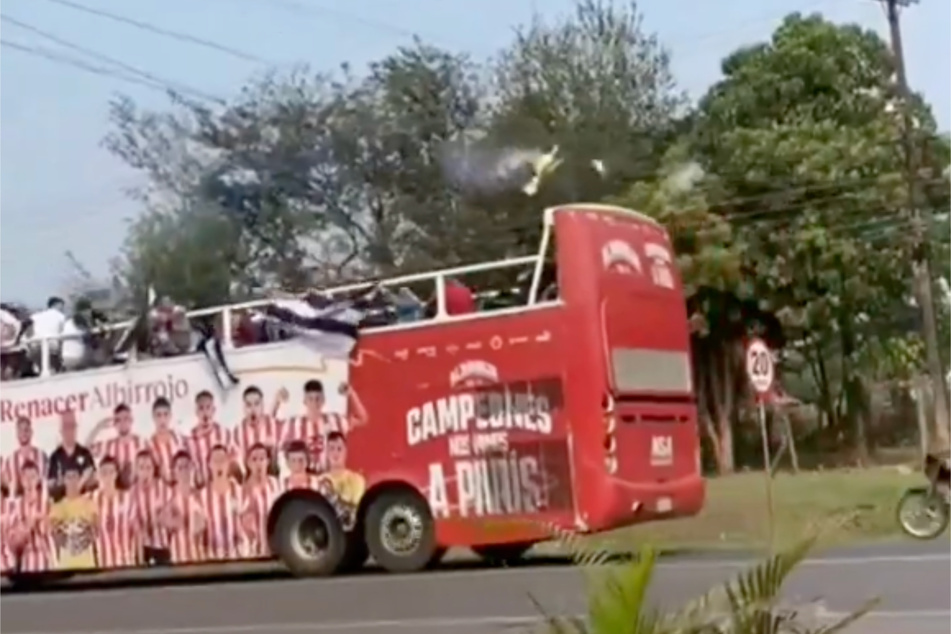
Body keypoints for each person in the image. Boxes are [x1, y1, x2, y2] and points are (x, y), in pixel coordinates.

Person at [282, 379, 368, 472]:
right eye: (310, 398)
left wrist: (351, 394)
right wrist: (276, 402)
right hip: (305, 478)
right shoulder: (294, 424)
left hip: (331, 476)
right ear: (304, 401)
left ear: (323, 400)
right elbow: (268, 427)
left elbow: (362, 418)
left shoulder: (335, 420)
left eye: (318, 398)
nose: (314, 403)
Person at [198, 445, 244, 562]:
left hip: (238, 556)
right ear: (209, 464)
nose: (219, 464)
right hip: (211, 559)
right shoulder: (202, 495)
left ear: (228, 463)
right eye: (215, 460)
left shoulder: (239, 491)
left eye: (222, 460)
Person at [48, 463, 98, 571]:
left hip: (87, 564)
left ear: (80, 478)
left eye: (74, 477)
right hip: (66, 565)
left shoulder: (90, 504)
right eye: (68, 477)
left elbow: (96, 532)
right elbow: (55, 537)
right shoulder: (57, 508)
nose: (71, 481)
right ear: (63, 480)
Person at [162, 450, 206, 564]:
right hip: (177, 555)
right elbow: (166, 523)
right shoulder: (168, 497)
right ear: (174, 471)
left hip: (200, 555)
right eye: (180, 467)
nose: (183, 471)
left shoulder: (201, 495)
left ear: (192, 468)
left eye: (186, 466)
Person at [91, 456, 136, 569]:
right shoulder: (92, 499)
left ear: (116, 474)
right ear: (98, 475)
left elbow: (134, 531)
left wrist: (137, 558)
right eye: (104, 472)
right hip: (102, 561)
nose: (108, 476)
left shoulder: (127, 498)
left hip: (125, 560)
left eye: (111, 472)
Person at [129, 449, 171, 566]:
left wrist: (162, 518)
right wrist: (142, 531)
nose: (145, 472)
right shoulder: (133, 492)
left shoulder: (163, 488)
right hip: (143, 547)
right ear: (136, 470)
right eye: (141, 468)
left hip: (163, 545)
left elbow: (171, 512)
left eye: (148, 468)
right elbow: (132, 519)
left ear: (154, 469)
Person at [87, 403, 145, 486]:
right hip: (116, 493)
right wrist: (98, 427)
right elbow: (85, 450)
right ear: (114, 424)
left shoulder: (142, 443)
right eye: (118, 420)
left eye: (125, 419)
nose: (122, 423)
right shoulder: (109, 445)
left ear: (131, 420)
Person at [10, 460, 52, 573]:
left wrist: (43, 519)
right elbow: (15, 544)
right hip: (27, 562)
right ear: (21, 481)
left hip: (46, 559)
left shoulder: (47, 503)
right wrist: (30, 524)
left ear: (38, 479)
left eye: (32, 477)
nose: (29, 481)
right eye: (26, 477)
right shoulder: (16, 507)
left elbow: (50, 531)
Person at [240, 443, 281, 559]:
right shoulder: (242, 490)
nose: (258, 463)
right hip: (253, 551)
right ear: (248, 463)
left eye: (262, 459)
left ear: (268, 461)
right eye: (254, 459)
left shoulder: (276, 484)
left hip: (275, 548)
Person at [233, 385, 285, 475]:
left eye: (257, 404)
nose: (253, 409)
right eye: (248, 405)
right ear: (244, 408)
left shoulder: (274, 424)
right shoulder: (238, 432)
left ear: (262, 405)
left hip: (273, 476)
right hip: (250, 478)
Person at [48, 410, 96, 500]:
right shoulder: (54, 457)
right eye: (66, 426)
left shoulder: (85, 453)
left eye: (72, 426)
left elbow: (93, 481)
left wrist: (83, 482)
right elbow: (51, 487)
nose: (69, 430)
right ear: (60, 429)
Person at [188, 391, 233, 486]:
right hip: (203, 490)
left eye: (208, 407)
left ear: (213, 410)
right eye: (201, 408)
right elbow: (192, 469)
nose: (205, 412)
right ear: (196, 412)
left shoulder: (224, 434)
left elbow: (232, 462)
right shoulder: (191, 439)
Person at [147, 397, 187, 485]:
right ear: (153, 417)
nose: (162, 420)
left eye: (165, 414)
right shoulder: (149, 445)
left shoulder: (179, 438)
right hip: (162, 492)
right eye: (159, 415)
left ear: (170, 416)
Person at [3, 416, 48, 493]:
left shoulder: (41, 456)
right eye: (20, 430)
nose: (23, 433)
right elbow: (7, 486)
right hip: (18, 502)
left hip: (37, 501)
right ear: (17, 434)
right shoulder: (10, 460)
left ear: (31, 432)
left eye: (26, 430)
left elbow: (45, 482)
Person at [28, 297, 67, 371]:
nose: (63, 308)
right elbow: (63, 333)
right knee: (54, 369)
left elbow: (28, 323)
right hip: (52, 346)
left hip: (35, 345)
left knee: (42, 369)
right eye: (61, 306)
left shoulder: (37, 316)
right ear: (56, 305)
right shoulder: (61, 316)